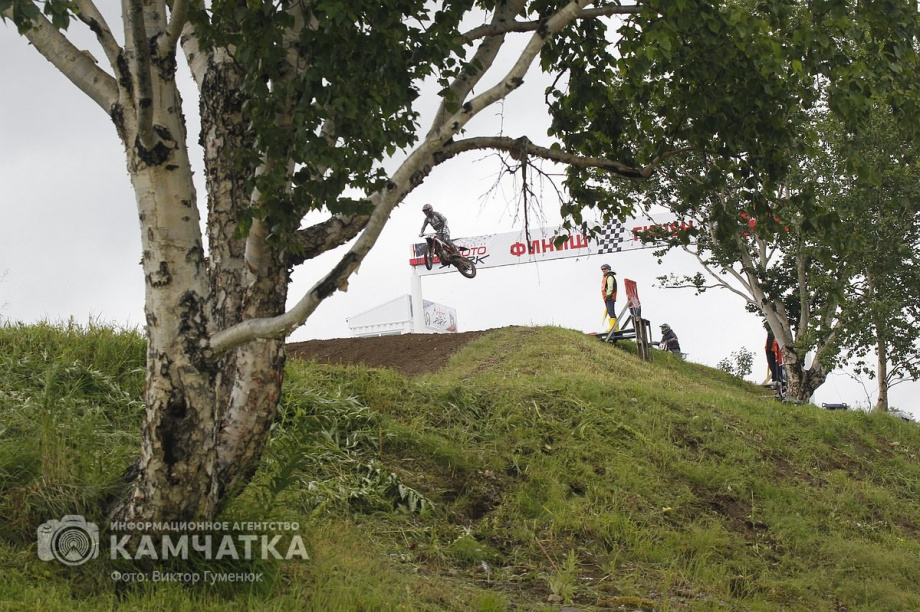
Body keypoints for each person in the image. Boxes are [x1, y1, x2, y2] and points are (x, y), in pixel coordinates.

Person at [600, 264, 618, 330]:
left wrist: (608, 295)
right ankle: (614, 327)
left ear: (608, 269)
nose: (603, 270)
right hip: (607, 297)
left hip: (610, 297)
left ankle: (613, 328)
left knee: (610, 311)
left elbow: (610, 286)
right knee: (610, 311)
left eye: (605, 269)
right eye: (602, 269)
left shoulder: (610, 277)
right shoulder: (606, 277)